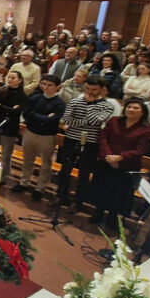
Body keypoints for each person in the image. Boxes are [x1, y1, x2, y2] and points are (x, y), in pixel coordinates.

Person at [89, 99, 150, 226]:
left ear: (142, 113)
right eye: (129, 107)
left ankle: (112, 218)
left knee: (119, 193)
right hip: (107, 161)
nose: (131, 109)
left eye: (135, 108)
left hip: (127, 165)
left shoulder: (146, 129)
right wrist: (108, 156)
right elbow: (102, 137)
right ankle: (98, 213)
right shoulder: (114, 121)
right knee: (102, 189)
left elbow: (141, 150)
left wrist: (120, 157)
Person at [58, 75, 115, 212]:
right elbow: (66, 120)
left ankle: (78, 202)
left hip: (90, 143)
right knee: (65, 169)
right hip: (71, 139)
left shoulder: (107, 106)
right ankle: (60, 197)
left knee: (84, 174)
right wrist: (85, 121)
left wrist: (90, 105)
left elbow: (96, 121)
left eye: (94, 89)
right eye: (87, 88)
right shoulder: (75, 101)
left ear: (101, 89)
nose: (89, 92)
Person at [16, 74, 66, 201]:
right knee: (27, 160)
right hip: (30, 132)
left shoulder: (59, 103)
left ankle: (40, 188)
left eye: (50, 85)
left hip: (47, 136)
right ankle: (24, 182)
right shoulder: (35, 98)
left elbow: (52, 121)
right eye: (43, 84)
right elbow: (27, 114)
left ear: (58, 87)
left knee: (45, 164)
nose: (46, 87)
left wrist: (35, 116)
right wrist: (43, 117)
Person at [0, 70, 27, 189]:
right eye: (9, 77)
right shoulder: (0, 91)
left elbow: (16, 112)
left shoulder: (22, 96)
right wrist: (9, 108)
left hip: (10, 127)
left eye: (13, 78)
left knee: (6, 155)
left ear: (20, 80)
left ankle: (2, 177)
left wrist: (1, 106)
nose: (10, 80)